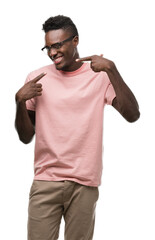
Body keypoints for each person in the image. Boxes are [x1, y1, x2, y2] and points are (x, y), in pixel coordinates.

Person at [15, 15, 140, 240]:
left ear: (75, 41)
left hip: (84, 184)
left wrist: (112, 69)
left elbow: (132, 115)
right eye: (48, 48)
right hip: (46, 181)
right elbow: (25, 137)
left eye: (57, 45)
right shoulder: (36, 78)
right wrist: (19, 102)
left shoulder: (99, 75)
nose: (52, 52)